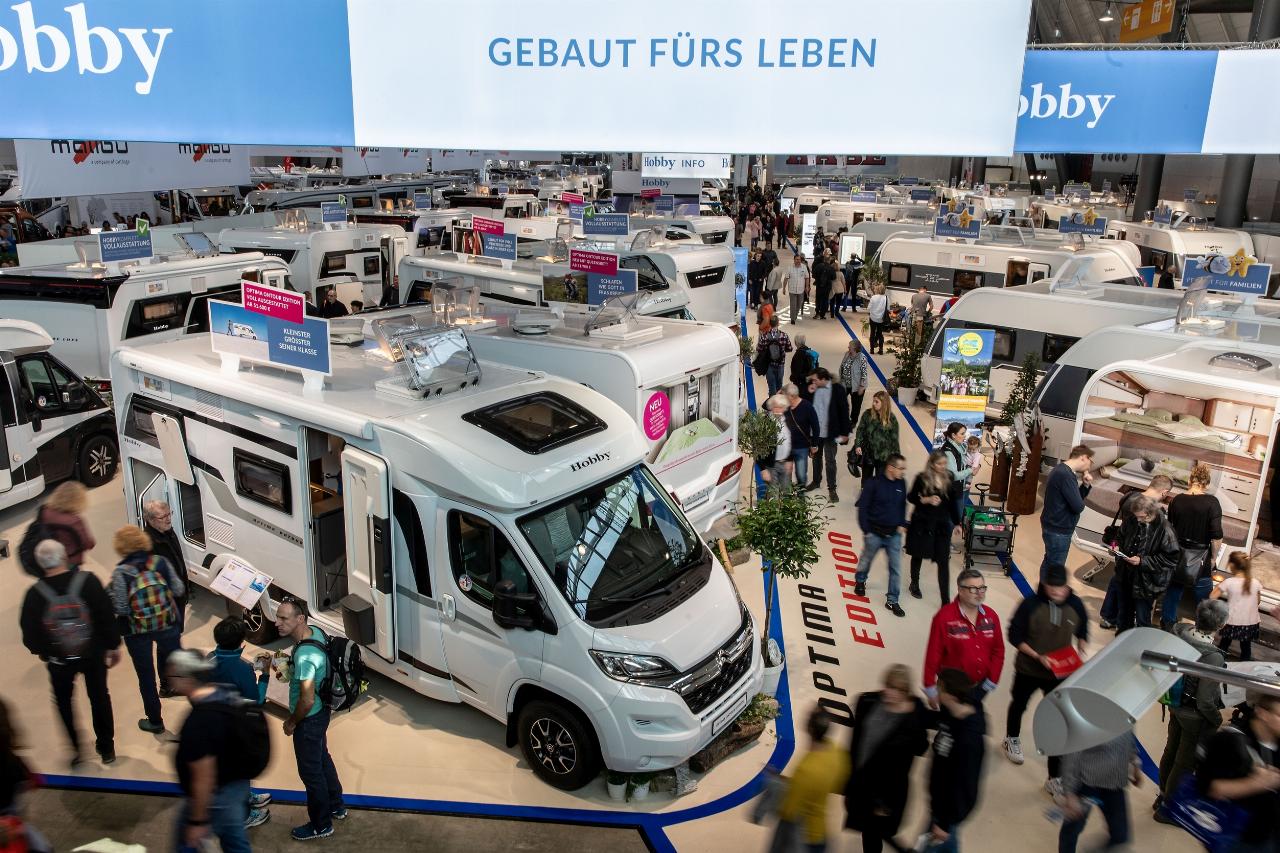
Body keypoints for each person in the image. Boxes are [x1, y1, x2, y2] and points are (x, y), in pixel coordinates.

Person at [19, 539, 121, 768]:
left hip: (59, 661)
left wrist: (45, 652)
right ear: (64, 556)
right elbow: (106, 616)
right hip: (92, 654)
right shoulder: (88, 582)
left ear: (39, 563)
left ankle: (77, 750)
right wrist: (113, 645)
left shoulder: (35, 595)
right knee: (99, 697)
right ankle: (107, 748)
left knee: (64, 703)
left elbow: (30, 636)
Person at [1002, 563, 1089, 795]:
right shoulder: (1030, 605)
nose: (1057, 591)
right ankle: (1011, 738)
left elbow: (1082, 627)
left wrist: (1082, 643)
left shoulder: (1075, 603)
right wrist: (1037, 656)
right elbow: (1014, 635)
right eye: (1052, 587)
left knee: (1056, 719)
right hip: (1029, 669)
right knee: (1019, 704)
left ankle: (1054, 776)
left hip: (1059, 673)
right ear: (1044, 585)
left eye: (1061, 587)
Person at [167, 649, 259, 853]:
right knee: (236, 843)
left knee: (185, 844)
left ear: (187, 678)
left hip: (216, 797)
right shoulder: (225, 694)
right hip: (236, 788)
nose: (169, 680)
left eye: (172, 675)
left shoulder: (199, 721)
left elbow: (203, 777)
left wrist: (197, 821)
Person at [274, 596, 346, 841]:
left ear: (300, 618)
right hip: (322, 710)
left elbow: (305, 700)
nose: (277, 623)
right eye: (278, 617)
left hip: (309, 720)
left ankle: (321, 825)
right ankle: (336, 805)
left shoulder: (305, 656)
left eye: (284, 618)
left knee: (311, 774)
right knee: (322, 759)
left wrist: (291, 722)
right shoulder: (315, 632)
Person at [1155, 598, 1230, 820]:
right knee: (1184, 762)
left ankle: (1162, 795)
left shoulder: (1181, 632)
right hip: (1194, 715)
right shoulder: (1213, 656)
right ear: (1220, 625)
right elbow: (1205, 700)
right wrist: (1216, 718)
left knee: (1170, 750)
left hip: (1175, 705)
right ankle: (1168, 810)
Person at [843, 664, 929, 853]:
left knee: (875, 831)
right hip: (862, 782)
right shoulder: (868, 702)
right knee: (869, 831)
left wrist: (884, 803)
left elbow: (916, 753)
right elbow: (855, 742)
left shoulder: (913, 719)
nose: (889, 693)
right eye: (888, 686)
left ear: (905, 692)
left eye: (896, 689)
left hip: (886, 792)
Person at [109, 524, 185, 734]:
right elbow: (178, 589)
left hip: (136, 631)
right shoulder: (160, 562)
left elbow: (121, 608)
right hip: (167, 624)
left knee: (146, 677)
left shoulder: (121, 573)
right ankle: (199, 710)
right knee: (182, 667)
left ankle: (155, 721)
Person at [1195, 691, 1280, 853]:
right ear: (1262, 713)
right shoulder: (1229, 741)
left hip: (1271, 834)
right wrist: (1256, 783)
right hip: (1237, 838)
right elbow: (1210, 788)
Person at [210, 618, 274, 829]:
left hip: (214, 726)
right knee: (238, 768)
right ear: (241, 643)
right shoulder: (241, 669)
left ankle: (245, 795)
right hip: (236, 729)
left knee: (229, 769)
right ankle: (244, 814)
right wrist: (265, 675)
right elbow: (256, 701)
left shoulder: (209, 661)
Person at [924, 668, 987, 853]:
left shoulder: (968, 740)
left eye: (939, 689)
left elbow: (964, 785)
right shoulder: (952, 712)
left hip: (947, 812)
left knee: (938, 844)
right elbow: (940, 720)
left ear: (950, 695)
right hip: (939, 805)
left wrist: (944, 823)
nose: (936, 693)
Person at [771, 706, 849, 853]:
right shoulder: (837, 752)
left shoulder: (805, 769)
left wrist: (778, 784)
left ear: (809, 728)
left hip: (804, 838)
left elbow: (789, 811)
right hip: (821, 832)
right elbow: (833, 783)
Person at [922, 569, 1004, 709]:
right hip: (951, 689)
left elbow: (998, 649)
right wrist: (930, 688)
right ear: (960, 590)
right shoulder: (944, 617)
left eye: (982, 588)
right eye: (973, 589)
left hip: (980, 686)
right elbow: (933, 653)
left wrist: (992, 679)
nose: (979, 593)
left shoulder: (991, 616)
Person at [1099, 475, 1173, 630]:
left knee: (1117, 581)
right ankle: (1127, 624)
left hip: (1123, 551)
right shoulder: (1152, 510)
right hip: (1137, 557)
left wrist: (1115, 545)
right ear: (1165, 492)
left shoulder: (1129, 497)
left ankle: (1109, 617)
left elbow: (1122, 528)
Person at [1056, 733, 1143, 853]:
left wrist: (1135, 764)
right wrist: (1070, 793)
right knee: (1071, 830)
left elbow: (1129, 740)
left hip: (1115, 785)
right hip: (1086, 784)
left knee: (1120, 835)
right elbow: (1071, 755)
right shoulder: (1087, 723)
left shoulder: (1125, 721)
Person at [1164, 462, 1223, 630]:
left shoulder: (1176, 500)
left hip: (1178, 554)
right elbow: (1216, 537)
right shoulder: (1212, 503)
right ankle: (1203, 629)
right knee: (1204, 598)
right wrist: (1213, 558)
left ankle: (1167, 623)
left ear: (1190, 481)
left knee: (1173, 590)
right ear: (1207, 484)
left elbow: (1170, 529)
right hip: (1201, 556)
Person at [1114, 494, 1181, 631]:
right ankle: (1121, 637)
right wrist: (1115, 546)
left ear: (1151, 513)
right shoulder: (1132, 519)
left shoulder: (1166, 530)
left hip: (1147, 583)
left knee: (1142, 619)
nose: (1138, 520)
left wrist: (1142, 561)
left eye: (1141, 517)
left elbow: (1171, 559)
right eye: (1136, 516)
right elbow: (1119, 537)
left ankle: (1140, 642)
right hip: (1126, 576)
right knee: (1123, 614)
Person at [854, 453, 909, 617]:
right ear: (890, 468)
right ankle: (860, 580)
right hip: (874, 533)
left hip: (894, 535)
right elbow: (863, 508)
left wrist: (902, 523)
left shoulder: (902, 483)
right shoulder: (873, 483)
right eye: (901, 468)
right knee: (866, 560)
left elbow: (902, 505)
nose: (903, 472)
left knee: (896, 568)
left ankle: (892, 600)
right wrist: (867, 531)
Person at [906, 451, 963, 603]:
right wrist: (926, 500)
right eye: (939, 464)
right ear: (932, 464)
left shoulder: (949, 478)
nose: (942, 466)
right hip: (923, 523)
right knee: (918, 554)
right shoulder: (922, 478)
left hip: (941, 525)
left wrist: (957, 523)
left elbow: (952, 503)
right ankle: (914, 583)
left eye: (944, 463)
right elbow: (911, 497)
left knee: (943, 561)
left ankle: (945, 600)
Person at [1040, 444, 1095, 581]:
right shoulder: (1065, 475)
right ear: (1084, 457)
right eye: (1090, 461)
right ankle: (1048, 593)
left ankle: (1042, 590)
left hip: (1053, 526)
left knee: (1049, 562)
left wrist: (1085, 485)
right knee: (1055, 569)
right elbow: (1078, 506)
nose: (1090, 465)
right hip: (1059, 530)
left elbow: (1073, 499)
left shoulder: (1062, 470)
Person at [143, 500, 190, 632]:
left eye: (169, 514)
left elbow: (178, 559)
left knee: (177, 629)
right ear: (150, 519)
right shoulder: (147, 543)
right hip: (166, 600)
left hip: (178, 593)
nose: (168, 519)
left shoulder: (168, 532)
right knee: (169, 633)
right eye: (163, 517)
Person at [805, 369, 852, 501]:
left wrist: (845, 432)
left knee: (830, 461)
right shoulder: (813, 388)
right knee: (816, 458)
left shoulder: (838, 389)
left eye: (815, 380)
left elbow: (844, 411)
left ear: (823, 379)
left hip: (830, 432)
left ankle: (832, 488)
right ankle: (816, 481)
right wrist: (809, 391)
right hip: (815, 432)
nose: (813, 382)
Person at [1213, 551, 1263, 661]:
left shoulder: (1229, 582)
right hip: (1250, 622)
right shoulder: (1255, 582)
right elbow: (1258, 601)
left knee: (1224, 645)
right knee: (1246, 648)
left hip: (1232, 621)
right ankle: (1244, 667)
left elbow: (1212, 597)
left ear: (1231, 565)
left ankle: (1218, 663)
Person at [38, 480, 96, 570]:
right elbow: (88, 544)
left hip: (47, 558)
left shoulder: (44, 511)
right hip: (68, 561)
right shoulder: (75, 521)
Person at [851, 391, 900, 483]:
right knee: (866, 480)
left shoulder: (891, 419)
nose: (873, 404)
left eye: (876, 402)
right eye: (873, 401)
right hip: (868, 453)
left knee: (881, 481)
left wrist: (896, 460)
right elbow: (860, 430)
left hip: (883, 457)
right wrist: (858, 445)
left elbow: (894, 441)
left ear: (884, 403)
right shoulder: (867, 414)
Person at [940, 423, 978, 531]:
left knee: (957, 516)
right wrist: (970, 470)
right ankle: (946, 539)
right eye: (962, 433)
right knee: (952, 519)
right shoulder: (948, 451)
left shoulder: (960, 446)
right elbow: (954, 475)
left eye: (964, 433)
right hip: (952, 490)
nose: (964, 436)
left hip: (961, 487)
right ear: (953, 435)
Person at [756, 394, 795, 496]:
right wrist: (763, 469)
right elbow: (757, 447)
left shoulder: (788, 420)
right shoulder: (765, 423)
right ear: (771, 407)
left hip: (785, 463)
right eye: (775, 407)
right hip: (771, 466)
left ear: (784, 408)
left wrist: (790, 460)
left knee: (787, 493)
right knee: (773, 496)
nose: (777, 410)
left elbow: (791, 441)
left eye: (780, 407)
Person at [783, 383, 820, 489]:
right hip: (786, 447)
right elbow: (766, 406)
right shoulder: (785, 407)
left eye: (785, 396)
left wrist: (814, 445)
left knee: (801, 475)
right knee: (786, 475)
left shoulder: (807, 407)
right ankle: (787, 495)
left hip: (801, 447)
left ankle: (800, 494)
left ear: (792, 396)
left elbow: (816, 427)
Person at [756, 315, 792, 398]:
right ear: (778, 323)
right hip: (780, 364)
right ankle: (780, 402)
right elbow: (789, 348)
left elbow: (759, 349)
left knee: (771, 387)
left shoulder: (764, 336)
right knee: (779, 386)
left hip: (769, 365)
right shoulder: (784, 335)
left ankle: (772, 402)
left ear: (770, 324)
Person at [839, 339, 869, 427]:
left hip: (857, 386)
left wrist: (862, 386)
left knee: (856, 405)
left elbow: (864, 373)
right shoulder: (847, 354)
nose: (848, 347)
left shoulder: (862, 358)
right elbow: (842, 366)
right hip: (845, 384)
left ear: (855, 347)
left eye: (850, 346)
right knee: (840, 401)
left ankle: (853, 421)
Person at [786, 253, 810, 324]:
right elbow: (786, 278)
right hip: (792, 290)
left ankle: (794, 315)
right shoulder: (790, 268)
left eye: (799, 259)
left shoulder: (804, 267)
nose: (798, 261)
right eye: (796, 259)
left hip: (801, 290)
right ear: (794, 260)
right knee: (793, 305)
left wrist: (807, 286)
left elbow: (807, 277)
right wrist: (784, 287)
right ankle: (792, 318)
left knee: (799, 304)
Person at [812, 251, 835, 320]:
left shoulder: (819, 266)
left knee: (818, 299)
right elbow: (834, 277)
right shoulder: (831, 268)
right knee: (825, 300)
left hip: (819, 285)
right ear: (829, 260)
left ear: (824, 259)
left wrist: (818, 279)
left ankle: (817, 313)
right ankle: (822, 314)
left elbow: (814, 274)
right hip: (827, 286)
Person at [867, 283, 888, 354]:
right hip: (881, 319)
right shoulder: (886, 298)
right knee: (880, 333)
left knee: (872, 333)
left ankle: (872, 349)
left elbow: (869, 308)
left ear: (877, 289)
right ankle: (881, 350)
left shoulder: (873, 297)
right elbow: (888, 308)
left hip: (873, 318)